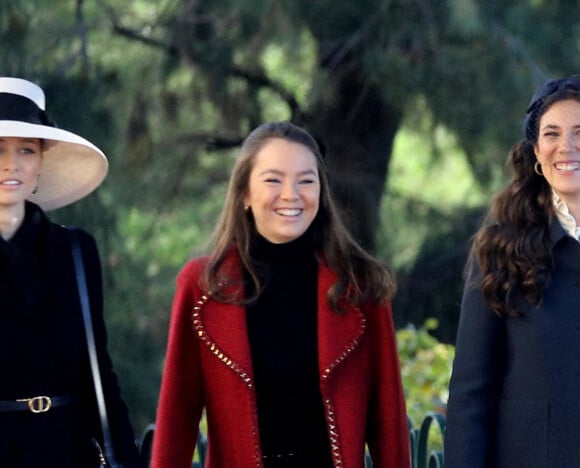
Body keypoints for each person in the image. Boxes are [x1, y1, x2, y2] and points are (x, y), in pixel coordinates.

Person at [151, 121, 410, 468]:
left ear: (321, 192)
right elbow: (176, 422)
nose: (291, 194)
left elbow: (389, 426)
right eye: (273, 179)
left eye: (306, 180)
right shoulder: (202, 287)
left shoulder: (361, 286)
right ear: (244, 193)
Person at [0, 77, 139, 467]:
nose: (12, 164)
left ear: (42, 159)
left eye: (25, 150)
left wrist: (125, 459)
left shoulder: (75, 251)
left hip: (68, 449)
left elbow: (99, 376)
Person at [444, 73, 580, 468]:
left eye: (579, 131)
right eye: (552, 133)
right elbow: (472, 393)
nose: (566, 146)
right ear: (536, 151)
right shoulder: (500, 249)